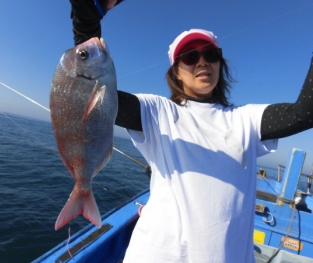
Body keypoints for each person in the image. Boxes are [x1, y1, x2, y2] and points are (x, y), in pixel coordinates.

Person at [69, 1, 313, 262]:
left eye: (211, 55)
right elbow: (95, 94)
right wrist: (86, 19)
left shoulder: (246, 118)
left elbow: (304, 114)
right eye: (190, 57)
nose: (202, 62)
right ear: (176, 71)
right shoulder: (157, 111)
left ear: (220, 63)